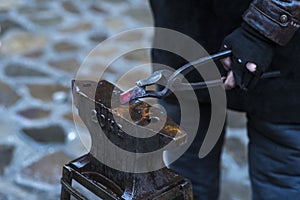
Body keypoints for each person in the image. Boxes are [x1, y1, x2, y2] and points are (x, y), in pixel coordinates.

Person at [149, 0, 300, 199]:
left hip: (285, 53)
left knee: (280, 174)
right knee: (189, 171)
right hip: (183, 29)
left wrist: (263, 27)